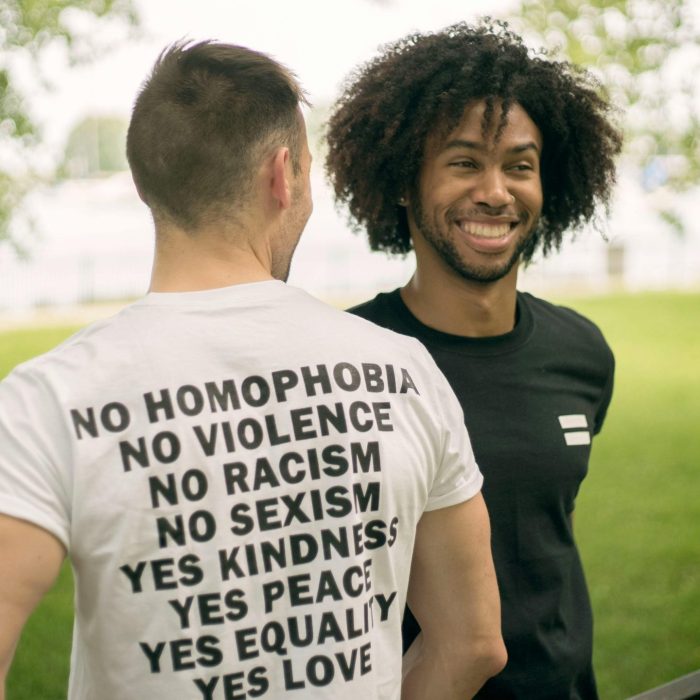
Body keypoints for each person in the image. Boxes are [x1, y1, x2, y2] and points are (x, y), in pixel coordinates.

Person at [0, 40, 506, 700]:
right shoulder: (404, 372)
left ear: (147, 179)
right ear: (282, 175)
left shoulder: (51, 399)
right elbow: (472, 644)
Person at [325, 20, 622, 699]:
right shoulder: (343, 367)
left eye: (519, 165)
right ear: (403, 184)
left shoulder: (581, 354)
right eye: (464, 163)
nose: (495, 191)